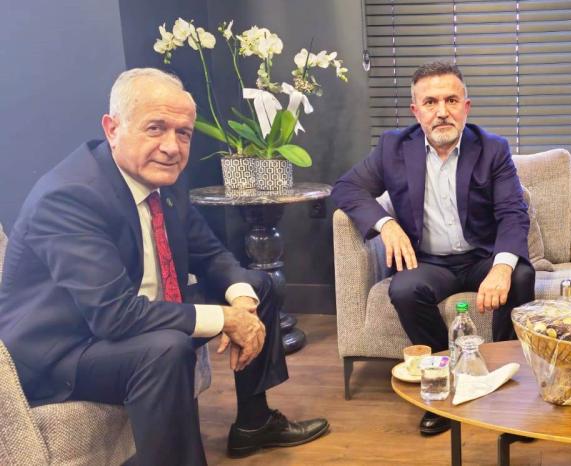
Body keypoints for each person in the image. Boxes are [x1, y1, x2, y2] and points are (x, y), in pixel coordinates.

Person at [0, 68, 328, 465]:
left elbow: (212, 254)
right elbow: (114, 316)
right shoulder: (70, 197)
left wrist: (242, 302)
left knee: (258, 285)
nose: (172, 147)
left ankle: (254, 423)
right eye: (155, 128)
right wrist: (226, 319)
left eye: (183, 133)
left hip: (134, 315)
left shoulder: (164, 182)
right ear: (112, 129)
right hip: (66, 350)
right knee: (165, 349)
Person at [332, 61, 535, 436]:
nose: (442, 111)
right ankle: (447, 382)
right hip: (430, 262)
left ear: (466, 107)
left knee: (521, 275)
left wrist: (501, 267)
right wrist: (386, 224)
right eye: (430, 102)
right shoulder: (393, 147)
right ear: (416, 111)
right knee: (404, 289)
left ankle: (507, 387)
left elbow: (512, 213)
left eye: (451, 100)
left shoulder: (492, 149)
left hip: (481, 257)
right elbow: (347, 188)